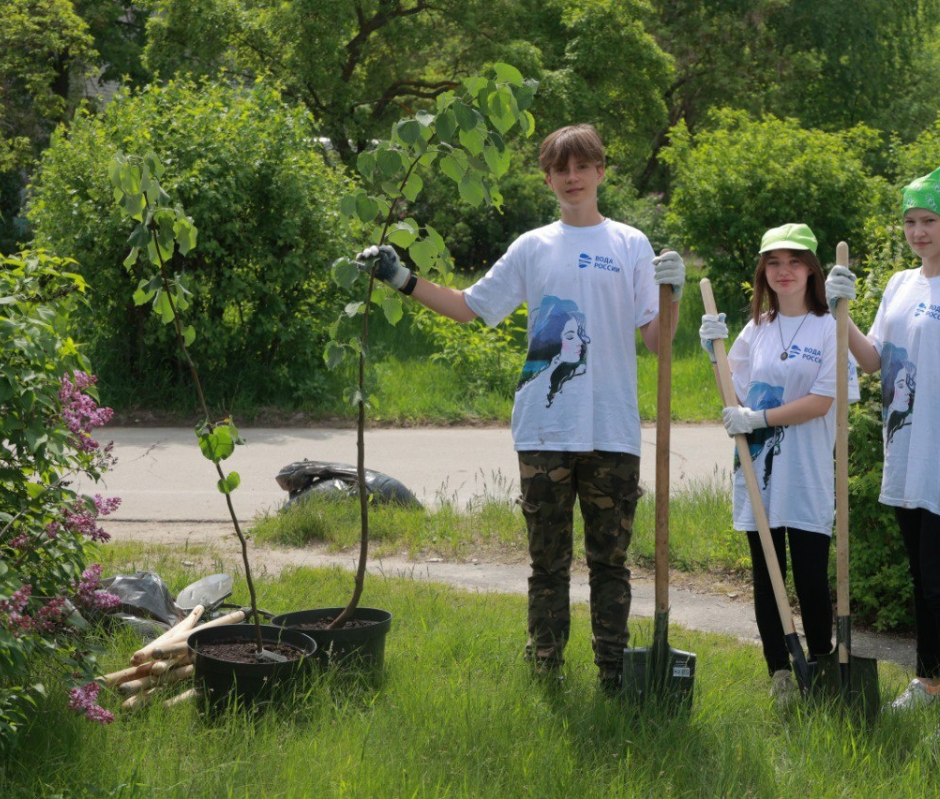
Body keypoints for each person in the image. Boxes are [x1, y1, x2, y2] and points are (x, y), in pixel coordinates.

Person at [356, 124, 684, 694]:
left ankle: (614, 674)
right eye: (561, 169)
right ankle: (546, 671)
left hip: (612, 429)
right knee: (547, 564)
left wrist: (671, 295)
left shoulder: (631, 245)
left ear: (602, 172)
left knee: (610, 565)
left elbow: (658, 342)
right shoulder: (533, 247)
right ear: (548, 179)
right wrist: (401, 279)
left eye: (583, 167)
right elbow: (469, 308)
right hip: (544, 426)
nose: (573, 178)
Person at [825, 167, 940, 740]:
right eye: (910, 220)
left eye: (929, 219)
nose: (918, 231)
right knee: (919, 578)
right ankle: (930, 683)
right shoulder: (902, 284)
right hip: (904, 453)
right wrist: (842, 313)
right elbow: (874, 359)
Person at [698, 223, 858, 705]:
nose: (783, 271)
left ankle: (824, 664)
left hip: (806, 473)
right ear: (762, 272)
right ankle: (780, 675)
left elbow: (823, 401)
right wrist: (714, 354)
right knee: (767, 575)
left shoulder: (832, 327)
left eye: (793, 262)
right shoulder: (757, 329)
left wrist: (759, 416)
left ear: (811, 270)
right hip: (756, 469)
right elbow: (735, 396)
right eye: (773, 263)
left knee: (810, 576)